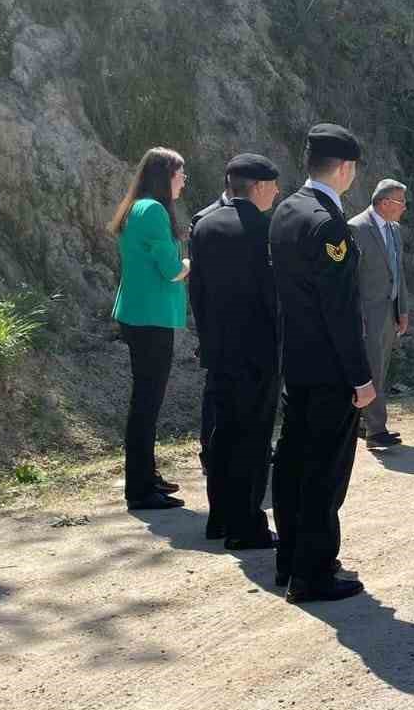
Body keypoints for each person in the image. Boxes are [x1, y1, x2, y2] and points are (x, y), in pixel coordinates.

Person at [268, 123, 375, 603]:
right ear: (346, 168)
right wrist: (361, 377)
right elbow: (340, 313)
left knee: (292, 461)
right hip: (331, 370)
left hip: (296, 362)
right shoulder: (329, 225)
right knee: (325, 470)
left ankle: (290, 560)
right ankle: (313, 574)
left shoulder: (287, 210)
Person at [188, 153, 283, 549]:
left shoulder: (204, 224)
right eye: (273, 186)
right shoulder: (265, 229)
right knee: (253, 441)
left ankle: (221, 518)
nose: (277, 193)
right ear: (258, 187)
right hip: (257, 354)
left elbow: (197, 293)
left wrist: (209, 340)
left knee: (222, 435)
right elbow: (274, 298)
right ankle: (246, 527)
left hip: (219, 351)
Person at [108, 147, 191, 511]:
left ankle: (146, 476)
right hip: (150, 319)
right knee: (146, 404)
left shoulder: (138, 207)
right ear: (164, 176)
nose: (183, 180)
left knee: (145, 401)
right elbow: (171, 270)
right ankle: (140, 488)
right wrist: (190, 261)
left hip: (139, 315)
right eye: (180, 173)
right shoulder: (154, 211)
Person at [349, 179, 412, 449]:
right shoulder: (357, 228)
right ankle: (376, 431)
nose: (405, 207)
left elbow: (398, 273)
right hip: (367, 315)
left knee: (379, 370)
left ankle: (362, 424)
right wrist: (355, 315)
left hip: (388, 313)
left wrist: (402, 309)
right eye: (401, 202)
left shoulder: (394, 229)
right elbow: (348, 279)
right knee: (372, 370)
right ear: (385, 203)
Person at [188, 188, 231, 478]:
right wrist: (205, 329)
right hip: (217, 320)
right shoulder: (204, 219)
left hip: (246, 320)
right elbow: (199, 284)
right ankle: (210, 451)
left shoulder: (255, 216)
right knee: (215, 389)